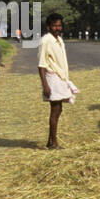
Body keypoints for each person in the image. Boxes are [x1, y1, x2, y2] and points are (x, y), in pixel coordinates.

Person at [38, 13, 77, 149]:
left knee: (59, 109)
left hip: (61, 77)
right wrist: (45, 85)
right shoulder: (46, 40)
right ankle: (53, 143)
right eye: (54, 26)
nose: (57, 28)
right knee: (55, 110)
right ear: (48, 27)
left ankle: (50, 141)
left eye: (59, 25)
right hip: (52, 77)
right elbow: (41, 65)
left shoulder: (59, 40)